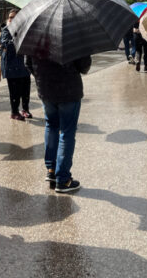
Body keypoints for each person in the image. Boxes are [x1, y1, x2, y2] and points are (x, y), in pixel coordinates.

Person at [26, 52, 91, 194]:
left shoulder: (35, 39)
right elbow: (84, 66)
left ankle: (51, 170)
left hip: (46, 89)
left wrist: (43, 76)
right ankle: (63, 179)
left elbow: (28, 63)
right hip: (69, 90)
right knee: (67, 133)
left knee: (51, 126)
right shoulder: (72, 38)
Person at [0, 9, 32, 121]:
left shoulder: (25, 28)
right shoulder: (6, 30)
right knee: (15, 92)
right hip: (11, 66)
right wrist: (16, 35)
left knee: (26, 90)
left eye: (14, 17)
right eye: (10, 17)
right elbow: (7, 45)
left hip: (24, 65)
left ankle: (25, 109)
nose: (12, 19)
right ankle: (14, 112)